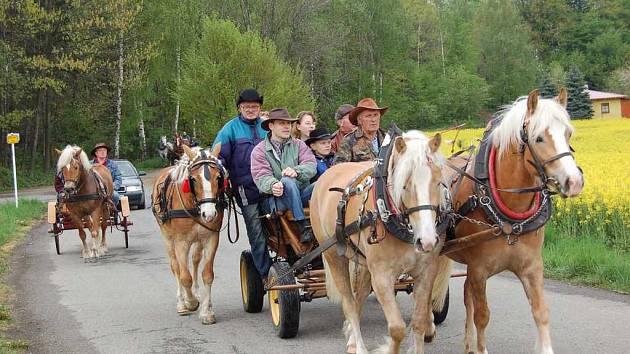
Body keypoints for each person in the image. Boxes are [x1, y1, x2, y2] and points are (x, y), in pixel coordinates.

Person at [211, 88, 273, 282]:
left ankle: (286, 265)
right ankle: (266, 275)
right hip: (246, 190)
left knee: (280, 227)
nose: (250, 109)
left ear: (260, 107)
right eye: (246, 106)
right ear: (239, 108)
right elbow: (217, 159)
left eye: (254, 106)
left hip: (272, 187)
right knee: (257, 233)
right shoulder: (229, 129)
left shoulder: (268, 127)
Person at [250, 108, 316, 243]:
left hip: (300, 194)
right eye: (282, 123)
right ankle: (302, 226)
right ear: (271, 126)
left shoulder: (299, 145)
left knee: (324, 184)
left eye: (289, 124)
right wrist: (273, 184)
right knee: (287, 181)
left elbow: (311, 165)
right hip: (276, 200)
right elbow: (261, 176)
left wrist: (297, 171)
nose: (287, 127)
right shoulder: (259, 151)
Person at [333, 98, 387, 164]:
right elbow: (339, 168)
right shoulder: (349, 141)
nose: (373, 120)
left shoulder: (388, 139)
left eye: (376, 115)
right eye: (368, 116)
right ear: (359, 120)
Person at [90, 143, 122, 208]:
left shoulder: (113, 164)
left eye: (104, 150)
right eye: (100, 150)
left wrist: (112, 187)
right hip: (93, 191)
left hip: (109, 190)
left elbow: (118, 178)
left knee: (115, 196)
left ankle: (113, 212)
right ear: (96, 153)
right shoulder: (89, 165)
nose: (103, 152)